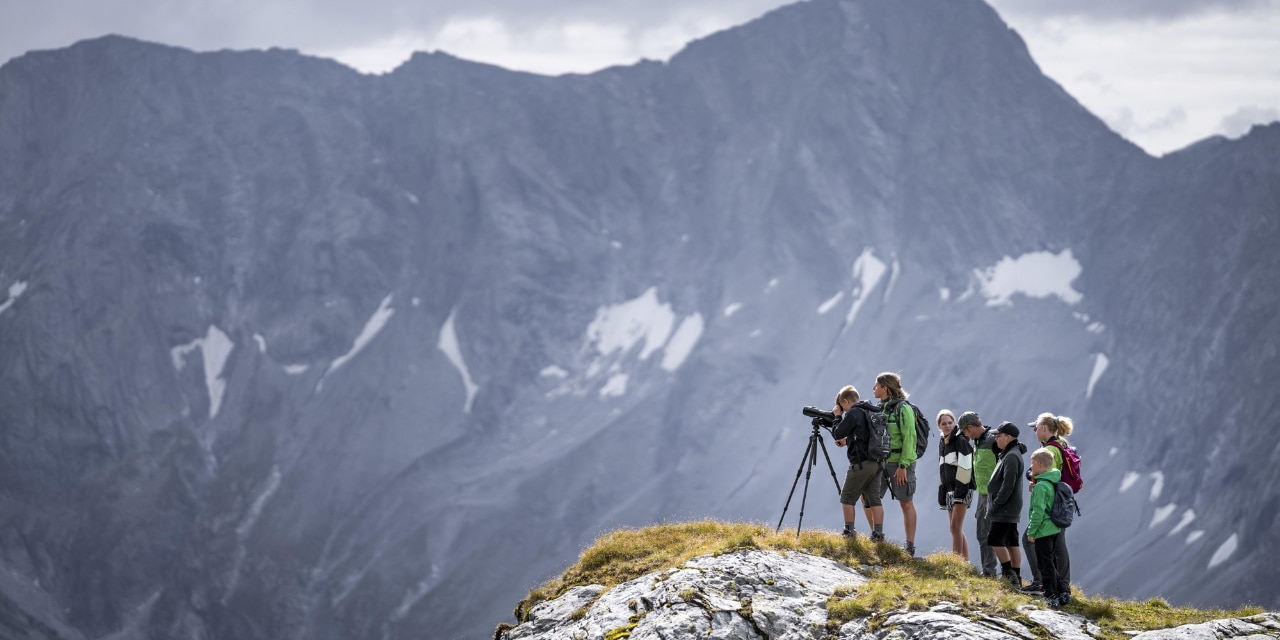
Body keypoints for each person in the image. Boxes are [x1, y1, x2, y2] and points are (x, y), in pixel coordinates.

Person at [1024, 412, 1076, 592]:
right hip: (1062, 502)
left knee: (1038, 541)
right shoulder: (1062, 444)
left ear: (1044, 428)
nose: (1035, 431)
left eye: (1036, 427)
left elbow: (1049, 476)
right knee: (1058, 544)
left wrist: (1036, 482)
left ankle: (1047, 583)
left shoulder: (1051, 450)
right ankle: (1060, 584)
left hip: (1051, 506)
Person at [830, 385, 886, 541]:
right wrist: (847, 441)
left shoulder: (853, 413)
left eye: (843, 407)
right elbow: (864, 436)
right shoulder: (871, 410)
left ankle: (849, 532)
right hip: (877, 462)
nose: (843, 411)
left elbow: (837, 432)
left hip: (861, 463)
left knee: (847, 498)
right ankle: (878, 535)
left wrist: (837, 417)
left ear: (846, 401)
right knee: (874, 499)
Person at [873, 372, 918, 555]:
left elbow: (910, 438)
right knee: (870, 498)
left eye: (876, 385)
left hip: (900, 463)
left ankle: (909, 546)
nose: (873, 388)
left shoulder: (903, 409)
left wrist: (903, 466)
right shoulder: (880, 408)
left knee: (905, 503)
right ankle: (877, 536)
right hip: (881, 463)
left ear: (885, 388)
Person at [1026, 448, 1071, 608]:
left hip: (1043, 531)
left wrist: (1031, 532)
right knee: (1051, 562)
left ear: (1038, 464)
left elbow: (1038, 512)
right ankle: (1062, 592)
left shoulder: (1040, 487)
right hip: (1054, 528)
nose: (1031, 466)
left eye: (1032, 463)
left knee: (1045, 564)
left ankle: (1051, 595)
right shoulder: (1052, 481)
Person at [986, 421, 1027, 588]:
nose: (996, 438)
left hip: (1005, 508)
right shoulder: (1010, 453)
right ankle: (1016, 577)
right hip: (1010, 507)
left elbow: (1007, 485)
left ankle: (1008, 575)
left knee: (994, 539)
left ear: (1008, 437)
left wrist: (995, 504)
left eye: (999, 436)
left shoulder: (1011, 456)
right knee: (1011, 540)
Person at [960, 412, 998, 577]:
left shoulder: (994, 440)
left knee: (996, 535)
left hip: (995, 495)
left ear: (970, 428)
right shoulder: (977, 441)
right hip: (982, 494)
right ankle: (988, 571)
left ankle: (1006, 572)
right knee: (982, 533)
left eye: (965, 432)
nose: (965, 436)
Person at [936, 410, 974, 560]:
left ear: (955, 423)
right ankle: (964, 562)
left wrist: (960, 492)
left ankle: (956, 562)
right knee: (955, 528)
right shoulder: (943, 442)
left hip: (962, 489)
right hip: (950, 491)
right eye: (944, 423)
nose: (947, 426)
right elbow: (942, 468)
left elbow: (966, 467)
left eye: (950, 422)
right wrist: (942, 493)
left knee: (955, 527)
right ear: (939, 426)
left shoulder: (960, 441)